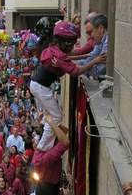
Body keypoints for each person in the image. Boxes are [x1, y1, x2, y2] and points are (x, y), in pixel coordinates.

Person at [30, 21, 106, 151]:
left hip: (38, 85)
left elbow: (69, 57)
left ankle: (41, 135)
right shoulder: (58, 56)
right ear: (64, 42)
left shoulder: (53, 50)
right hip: (41, 87)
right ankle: (43, 147)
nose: (72, 47)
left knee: (49, 115)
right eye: (70, 44)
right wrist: (94, 61)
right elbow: (76, 71)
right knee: (57, 116)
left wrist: (86, 55)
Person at [32, 114, 69, 195]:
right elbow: (65, 142)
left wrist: (47, 123)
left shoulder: (42, 151)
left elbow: (65, 130)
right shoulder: (43, 158)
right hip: (49, 190)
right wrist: (51, 123)